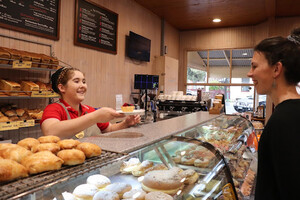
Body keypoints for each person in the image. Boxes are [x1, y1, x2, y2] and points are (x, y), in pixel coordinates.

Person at [247, 28, 300, 199]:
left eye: (254, 66)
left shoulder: (284, 121)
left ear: (277, 69)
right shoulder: (290, 113)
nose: (250, 73)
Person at [40, 67, 141, 139]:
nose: (82, 85)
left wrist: (126, 123)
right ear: (62, 87)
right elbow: (50, 132)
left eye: (84, 82)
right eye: (76, 81)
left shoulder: (89, 110)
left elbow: (108, 129)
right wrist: (95, 116)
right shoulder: (54, 108)